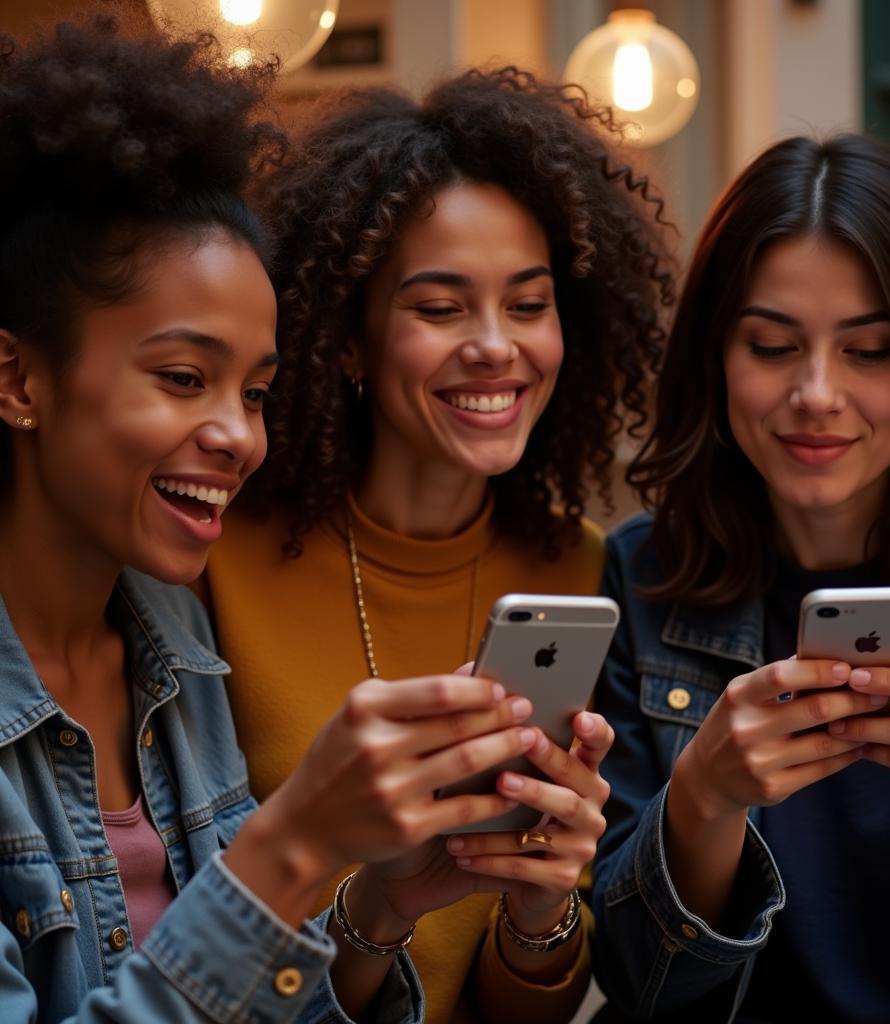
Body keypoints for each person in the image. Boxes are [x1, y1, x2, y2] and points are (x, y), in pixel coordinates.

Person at [0, 14, 553, 1022]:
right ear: (18, 377)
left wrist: (382, 903)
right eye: (182, 377)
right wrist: (294, 840)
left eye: (254, 392)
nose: (236, 437)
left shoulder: (174, 642)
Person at [203, 68, 674, 1023]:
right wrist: (375, 916)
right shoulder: (215, 560)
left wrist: (543, 907)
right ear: (344, 339)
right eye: (440, 306)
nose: (496, 346)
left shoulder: (583, 574)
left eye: (529, 304)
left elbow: (523, 1008)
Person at [590, 134, 890, 1022]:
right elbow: (640, 983)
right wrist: (703, 798)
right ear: (717, 357)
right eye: (772, 345)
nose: (817, 393)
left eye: (868, 351)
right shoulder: (644, 575)